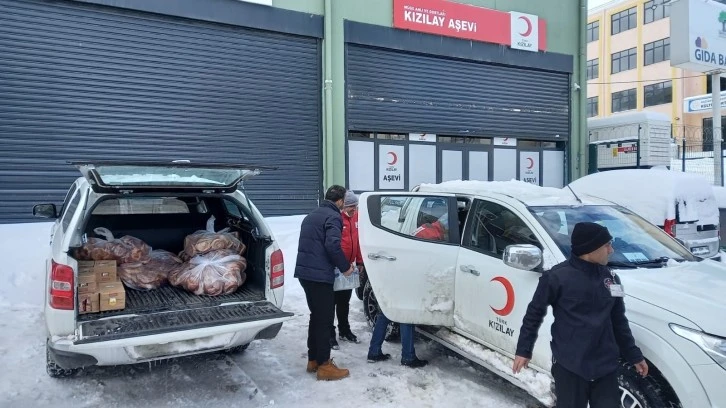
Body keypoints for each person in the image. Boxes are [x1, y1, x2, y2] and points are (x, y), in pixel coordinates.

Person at [512, 222, 649, 407]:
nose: (611, 250)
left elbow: (619, 321)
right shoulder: (556, 277)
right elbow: (533, 315)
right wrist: (524, 350)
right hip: (570, 366)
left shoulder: (611, 279)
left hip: (605, 366)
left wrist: (634, 355)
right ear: (590, 249)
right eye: (607, 245)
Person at [294, 185, 354, 381]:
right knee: (325, 320)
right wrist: (346, 268)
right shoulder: (333, 216)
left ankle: (313, 360)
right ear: (340, 201)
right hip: (319, 276)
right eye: (345, 200)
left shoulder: (311, 215)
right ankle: (325, 366)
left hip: (305, 274)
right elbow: (332, 245)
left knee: (316, 316)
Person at [330, 191, 363, 349]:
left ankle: (345, 330)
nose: (354, 210)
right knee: (331, 302)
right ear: (343, 205)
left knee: (344, 302)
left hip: (349, 267)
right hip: (335, 267)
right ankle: (330, 334)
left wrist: (360, 262)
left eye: (356, 206)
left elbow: (358, 241)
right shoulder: (335, 218)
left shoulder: (356, 218)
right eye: (351, 206)